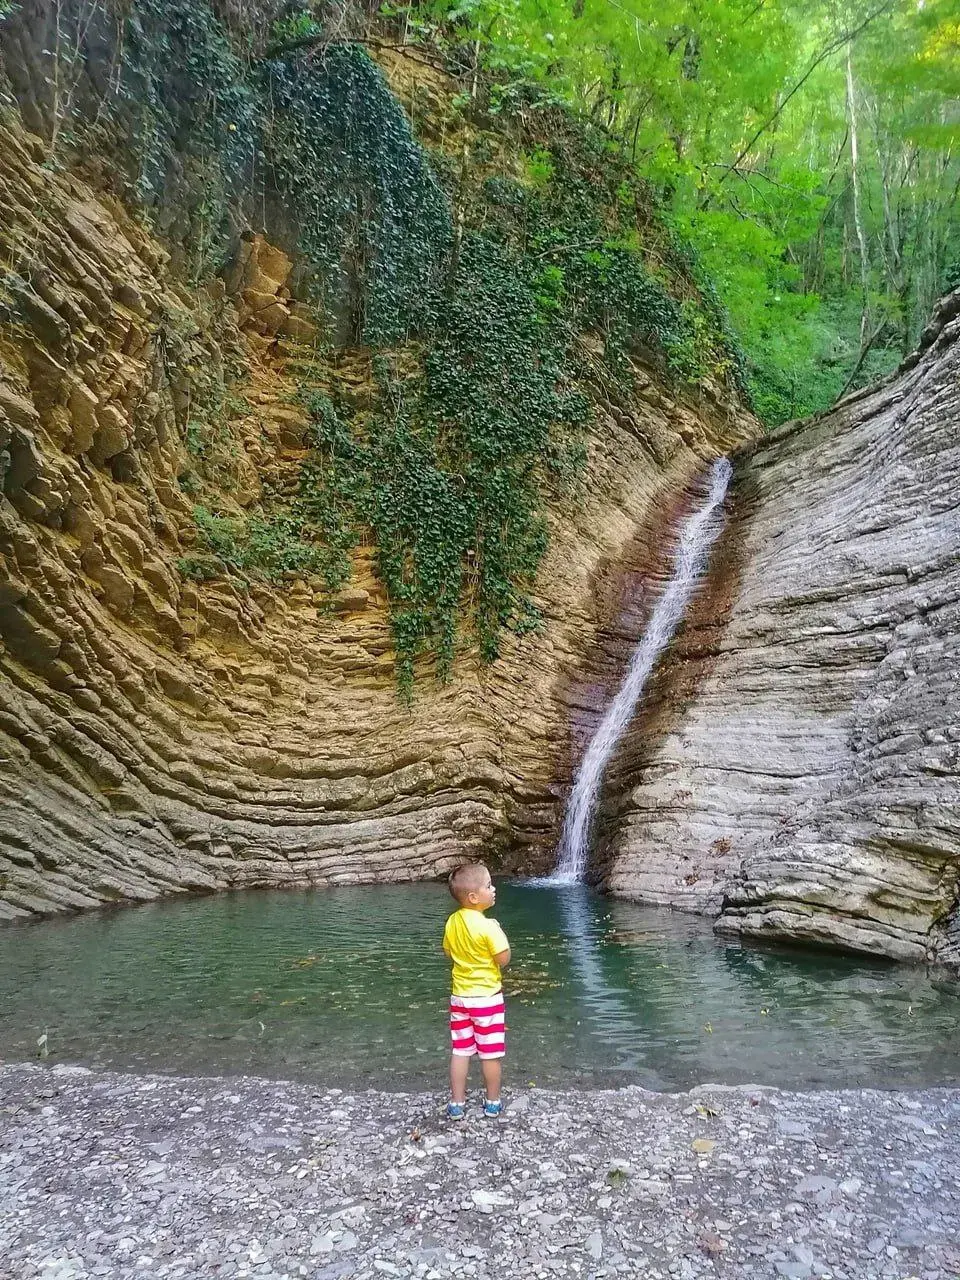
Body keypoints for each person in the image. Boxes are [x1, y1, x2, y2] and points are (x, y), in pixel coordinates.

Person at [442, 862, 510, 1119]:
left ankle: (457, 1104)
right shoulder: (489, 926)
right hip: (487, 999)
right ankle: (492, 1101)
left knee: (461, 1051)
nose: (494, 890)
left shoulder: (452, 921)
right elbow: (503, 959)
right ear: (473, 897)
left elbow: (448, 952)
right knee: (490, 1054)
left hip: (460, 997)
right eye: (489, 886)